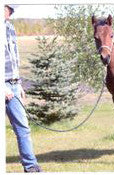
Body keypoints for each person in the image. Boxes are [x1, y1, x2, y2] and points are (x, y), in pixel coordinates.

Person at [4, 4, 42, 173]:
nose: (10, 13)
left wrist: (18, 84)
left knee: (23, 127)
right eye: (8, 8)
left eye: (12, 10)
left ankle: (30, 166)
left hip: (12, 84)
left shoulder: (10, 27)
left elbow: (14, 58)